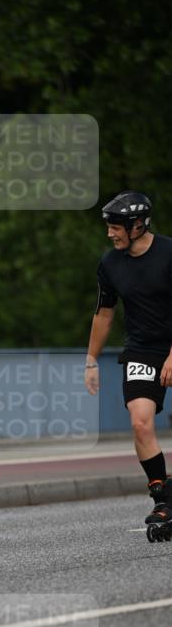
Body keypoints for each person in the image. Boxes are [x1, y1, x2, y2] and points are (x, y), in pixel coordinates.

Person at [84, 190, 172, 528]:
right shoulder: (109, 263)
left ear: (137, 225)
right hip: (142, 349)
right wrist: (91, 360)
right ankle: (163, 499)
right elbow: (104, 314)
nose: (110, 233)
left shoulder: (168, 252)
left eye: (116, 227)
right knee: (140, 422)